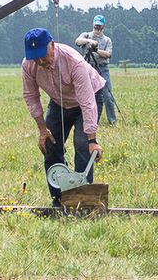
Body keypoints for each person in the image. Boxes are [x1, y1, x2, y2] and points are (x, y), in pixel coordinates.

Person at [22, 27, 105, 206]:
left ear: (52, 45)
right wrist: (42, 130)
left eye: (42, 55)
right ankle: (59, 201)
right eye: (34, 57)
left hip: (89, 97)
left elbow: (87, 101)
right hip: (59, 102)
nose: (40, 61)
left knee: (82, 144)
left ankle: (82, 202)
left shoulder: (73, 61)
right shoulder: (28, 65)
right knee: (50, 145)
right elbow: (31, 97)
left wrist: (92, 140)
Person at [75, 14, 116, 125]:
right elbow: (77, 41)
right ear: (93, 24)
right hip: (87, 67)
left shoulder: (107, 40)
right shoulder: (86, 35)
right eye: (96, 25)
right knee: (85, 94)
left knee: (107, 95)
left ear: (103, 26)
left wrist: (96, 50)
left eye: (100, 25)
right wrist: (90, 42)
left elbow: (108, 54)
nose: (97, 27)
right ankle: (85, 119)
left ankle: (112, 121)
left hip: (102, 69)